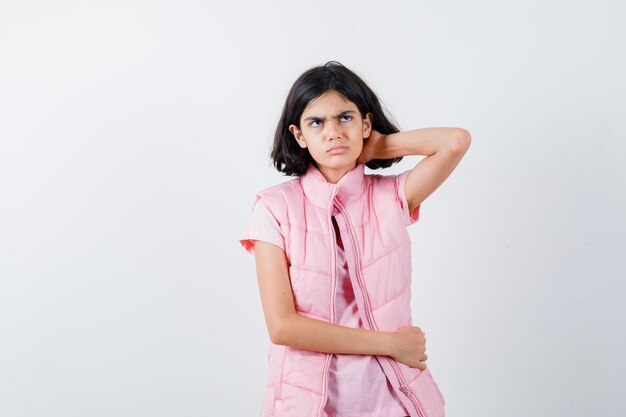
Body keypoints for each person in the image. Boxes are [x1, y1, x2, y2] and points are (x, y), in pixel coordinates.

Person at [239, 61, 471, 417]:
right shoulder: (273, 208)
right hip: (311, 403)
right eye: (316, 122)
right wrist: (390, 344)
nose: (332, 132)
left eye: (345, 118)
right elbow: (283, 326)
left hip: (393, 398)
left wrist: (378, 148)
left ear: (365, 123)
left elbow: (455, 141)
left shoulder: (391, 196)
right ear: (299, 135)